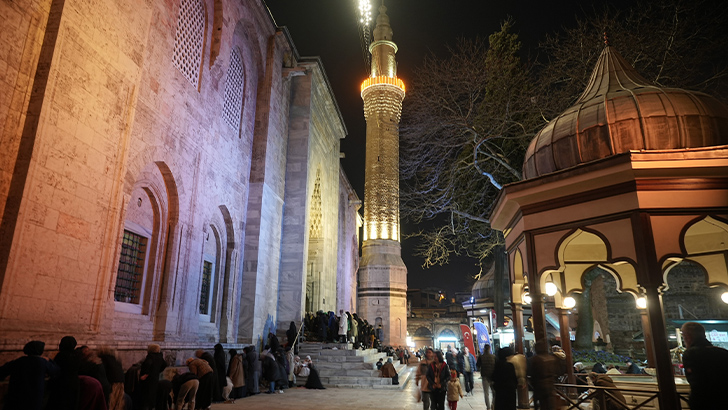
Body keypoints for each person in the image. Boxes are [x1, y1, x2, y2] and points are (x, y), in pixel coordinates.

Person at [681, 321, 728, 410]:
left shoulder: (690, 354)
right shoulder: (723, 352)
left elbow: (695, 382)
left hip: (703, 401)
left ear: (688, 336)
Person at [0, 340, 59, 410]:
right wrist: (49, 360)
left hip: (17, 397)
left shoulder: (19, 361)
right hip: (34, 398)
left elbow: (3, 371)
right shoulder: (42, 362)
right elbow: (55, 370)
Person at [48, 335, 81, 410]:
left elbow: (56, 368)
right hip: (74, 382)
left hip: (62, 382)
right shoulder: (77, 355)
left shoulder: (62, 355)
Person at [528, 341, 556, 410]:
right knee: (549, 404)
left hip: (538, 384)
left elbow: (530, 371)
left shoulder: (534, 359)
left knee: (540, 403)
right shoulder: (551, 358)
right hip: (550, 384)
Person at [96, 346, 127, 410]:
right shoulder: (115, 359)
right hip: (121, 381)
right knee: (119, 401)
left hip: (112, 382)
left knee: (111, 401)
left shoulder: (103, 359)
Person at [139, 344, 167, 410]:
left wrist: (146, 373)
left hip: (148, 379)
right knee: (153, 395)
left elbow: (147, 364)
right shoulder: (160, 356)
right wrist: (157, 371)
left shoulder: (151, 356)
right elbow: (165, 364)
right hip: (155, 378)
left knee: (145, 396)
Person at [478, 344, 496, 410]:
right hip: (492, 376)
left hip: (485, 376)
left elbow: (478, 365)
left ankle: (488, 407)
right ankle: (493, 405)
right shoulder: (493, 357)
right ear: (489, 348)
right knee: (494, 392)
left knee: (486, 393)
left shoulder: (481, 357)